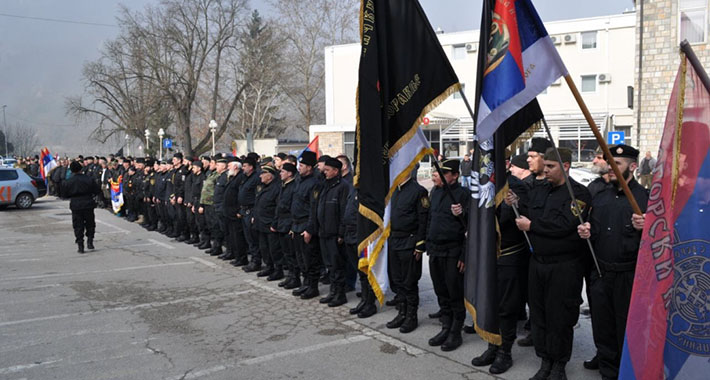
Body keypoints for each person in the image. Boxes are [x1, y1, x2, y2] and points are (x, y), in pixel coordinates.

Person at [515, 147, 591, 380]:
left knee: (560, 317)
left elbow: (563, 225)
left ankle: (559, 364)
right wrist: (516, 202)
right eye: (544, 165)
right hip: (538, 263)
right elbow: (528, 213)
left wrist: (533, 226)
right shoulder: (541, 191)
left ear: (565, 166)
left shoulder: (578, 193)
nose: (545, 171)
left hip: (564, 266)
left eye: (551, 167)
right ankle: (545, 360)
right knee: (539, 315)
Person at [577, 144, 648, 380]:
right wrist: (586, 230)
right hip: (600, 272)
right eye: (609, 163)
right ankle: (608, 370)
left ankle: (625, 371)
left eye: (616, 164)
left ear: (633, 166)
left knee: (626, 328)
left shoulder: (645, 199)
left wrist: (646, 228)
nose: (610, 168)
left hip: (629, 276)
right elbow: (592, 229)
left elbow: (660, 241)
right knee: (602, 326)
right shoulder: (600, 196)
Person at [472, 153, 531, 374]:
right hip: (488, 254)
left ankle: (505, 352)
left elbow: (516, 216)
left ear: (505, 165)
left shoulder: (516, 186)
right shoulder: (483, 185)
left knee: (506, 308)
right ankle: (492, 346)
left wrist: (514, 203)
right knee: (490, 303)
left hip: (509, 254)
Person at [427, 159, 470, 352]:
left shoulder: (463, 195)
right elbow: (430, 220)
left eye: (444, 174)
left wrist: (464, 255)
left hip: (453, 251)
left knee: (454, 293)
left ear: (455, 176)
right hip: (436, 249)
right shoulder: (434, 192)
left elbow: (470, 229)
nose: (438, 177)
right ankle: (446, 326)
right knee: (441, 291)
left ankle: (455, 331)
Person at [386, 166, 429, 333]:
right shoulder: (394, 191)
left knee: (409, 281)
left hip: (409, 241)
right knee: (397, 280)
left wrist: (420, 244)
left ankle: (411, 316)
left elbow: (423, 219)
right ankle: (402, 313)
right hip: (395, 240)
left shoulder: (419, 191)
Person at [291, 151, 323, 300]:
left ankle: (313, 286)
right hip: (297, 224)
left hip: (306, 225)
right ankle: (306, 283)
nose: (299, 168)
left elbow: (313, 208)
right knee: (301, 257)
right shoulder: (300, 180)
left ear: (310, 167)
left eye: (302, 165)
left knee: (310, 258)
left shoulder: (314, 183)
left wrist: (309, 229)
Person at [61, 160, 101, 253]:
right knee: (90, 223)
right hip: (88, 203)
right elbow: (97, 190)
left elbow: (64, 195)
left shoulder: (68, 181)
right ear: (81, 169)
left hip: (76, 204)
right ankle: (90, 241)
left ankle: (80, 245)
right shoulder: (89, 179)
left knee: (78, 225)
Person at [252, 164, 284, 280]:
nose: (260, 176)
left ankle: (278, 269)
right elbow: (258, 204)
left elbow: (278, 208)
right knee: (264, 248)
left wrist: (274, 223)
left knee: (274, 249)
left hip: (270, 223)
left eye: (263, 174)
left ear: (270, 176)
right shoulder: (263, 187)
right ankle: (269, 267)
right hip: (261, 223)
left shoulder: (276, 188)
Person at [274, 162, 299, 288]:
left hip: (289, 223)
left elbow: (293, 207)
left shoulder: (294, 186)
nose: (280, 173)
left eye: (283, 171)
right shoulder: (283, 186)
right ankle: (290, 276)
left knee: (292, 253)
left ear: (289, 174)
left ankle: (295, 277)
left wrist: (292, 226)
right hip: (281, 223)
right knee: (286, 253)